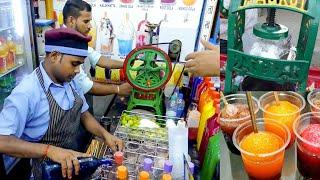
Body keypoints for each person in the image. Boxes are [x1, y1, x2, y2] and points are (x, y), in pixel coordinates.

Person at [0, 28, 123, 179]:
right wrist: (49, 150)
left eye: (80, 65)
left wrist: (105, 135)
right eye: (74, 64)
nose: (78, 70)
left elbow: (84, 114)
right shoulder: (27, 93)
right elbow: (3, 141)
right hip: (48, 173)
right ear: (54, 56)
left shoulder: (69, 80)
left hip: (74, 167)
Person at [62, 0, 132, 96]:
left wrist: (128, 64)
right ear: (71, 20)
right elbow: (85, 86)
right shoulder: (65, 44)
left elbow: (99, 59)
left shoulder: (77, 40)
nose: (90, 26)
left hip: (82, 100)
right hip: (73, 101)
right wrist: (118, 89)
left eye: (89, 21)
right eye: (86, 21)